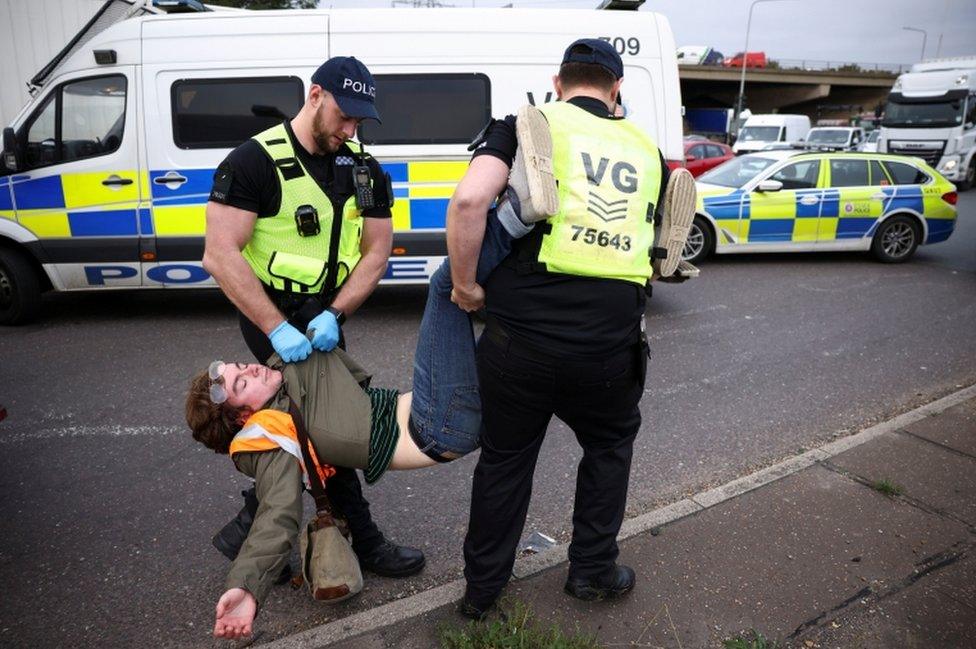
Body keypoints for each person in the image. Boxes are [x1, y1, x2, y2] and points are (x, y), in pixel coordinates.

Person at [187, 178, 538, 640]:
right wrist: (245, 588)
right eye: (240, 384)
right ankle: (520, 216)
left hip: (431, 410)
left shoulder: (277, 371)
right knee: (445, 288)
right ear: (242, 418)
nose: (250, 370)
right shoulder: (269, 433)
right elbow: (276, 514)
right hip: (438, 424)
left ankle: (540, 251)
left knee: (508, 343)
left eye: (240, 367)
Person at [446, 39, 695, 619]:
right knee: (608, 448)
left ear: (558, 83)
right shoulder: (647, 151)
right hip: (608, 349)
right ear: (617, 92)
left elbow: (467, 203)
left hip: (519, 342)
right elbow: (662, 248)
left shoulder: (526, 125)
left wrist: (464, 287)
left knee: (505, 462)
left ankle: (481, 594)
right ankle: (591, 572)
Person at [202, 56, 423, 585]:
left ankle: (251, 534)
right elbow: (220, 254)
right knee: (323, 432)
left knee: (305, 431)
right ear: (315, 95)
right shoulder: (253, 161)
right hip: (269, 318)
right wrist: (276, 328)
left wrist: (335, 312)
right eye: (345, 117)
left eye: (359, 122)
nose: (350, 130)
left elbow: (376, 252)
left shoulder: (363, 169)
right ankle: (363, 541)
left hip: (324, 318)